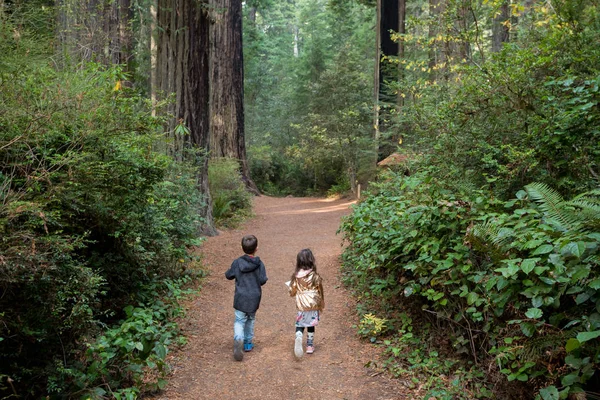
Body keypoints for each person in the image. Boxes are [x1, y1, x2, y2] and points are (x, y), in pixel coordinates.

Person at [225, 234, 268, 361]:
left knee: (239, 320)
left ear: (242, 247)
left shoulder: (237, 263)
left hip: (240, 298)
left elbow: (229, 275)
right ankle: (248, 343)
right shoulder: (259, 264)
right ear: (256, 248)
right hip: (254, 297)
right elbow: (262, 280)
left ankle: (238, 338)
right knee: (250, 319)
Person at [288, 248, 324, 358]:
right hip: (313, 304)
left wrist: (292, 289)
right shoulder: (315, 276)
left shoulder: (296, 276)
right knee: (311, 324)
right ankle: (309, 346)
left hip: (301, 305)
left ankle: (299, 334)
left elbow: (292, 291)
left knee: (300, 323)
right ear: (311, 260)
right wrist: (321, 303)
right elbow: (320, 290)